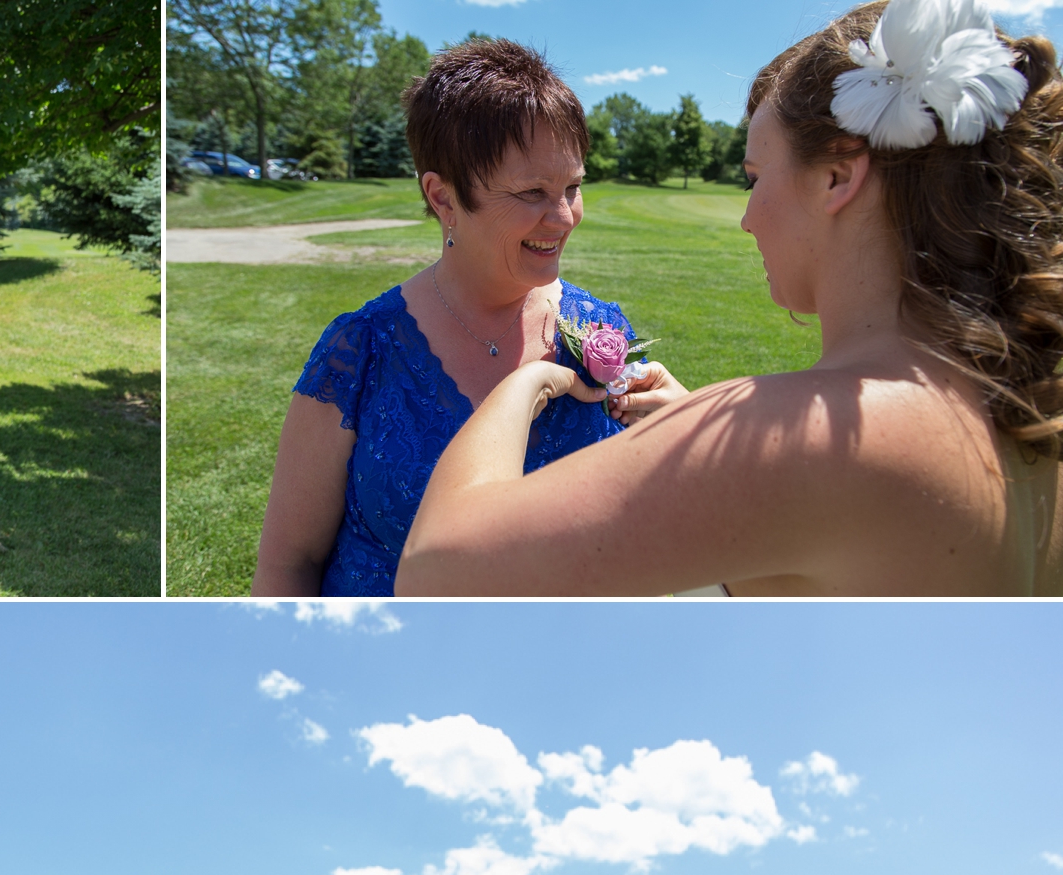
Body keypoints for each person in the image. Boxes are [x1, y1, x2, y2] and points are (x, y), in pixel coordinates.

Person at [397, 0, 1063, 595]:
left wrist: (529, 381)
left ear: (836, 176)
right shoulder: (1023, 413)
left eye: (753, 178)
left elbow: (435, 570)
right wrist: (695, 434)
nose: (748, 219)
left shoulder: (807, 437)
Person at [252, 39, 681, 598]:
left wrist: (679, 435)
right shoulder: (360, 350)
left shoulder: (601, 328)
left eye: (573, 187)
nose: (563, 217)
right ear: (443, 198)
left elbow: (644, 530)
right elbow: (289, 565)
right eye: (532, 192)